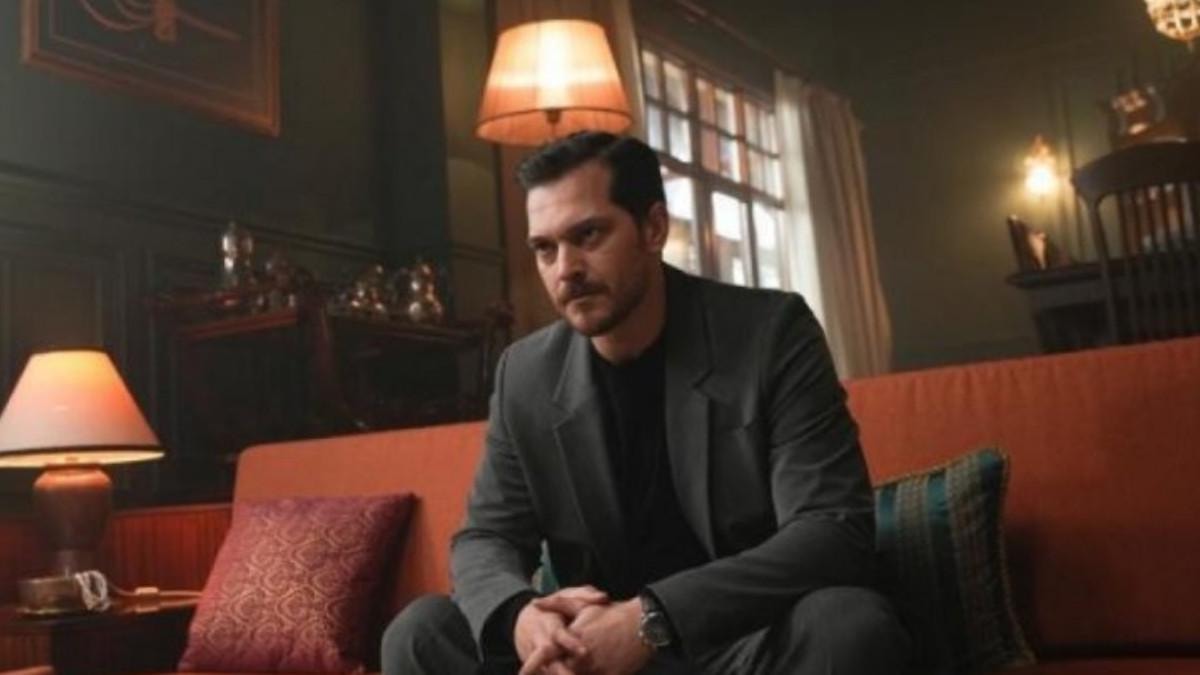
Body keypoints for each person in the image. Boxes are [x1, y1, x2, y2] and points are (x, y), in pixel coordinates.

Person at [382, 132, 909, 674]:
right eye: (545, 248)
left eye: (588, 234)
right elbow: (486, 536)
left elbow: (831, 528)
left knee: (848, 626)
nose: (565, 268)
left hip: (737, 643)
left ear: (653, 228)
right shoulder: (525, 373)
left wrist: (652, 619)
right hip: (587, 655)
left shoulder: (771, 334)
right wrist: (522, 617)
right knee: (421, 633)